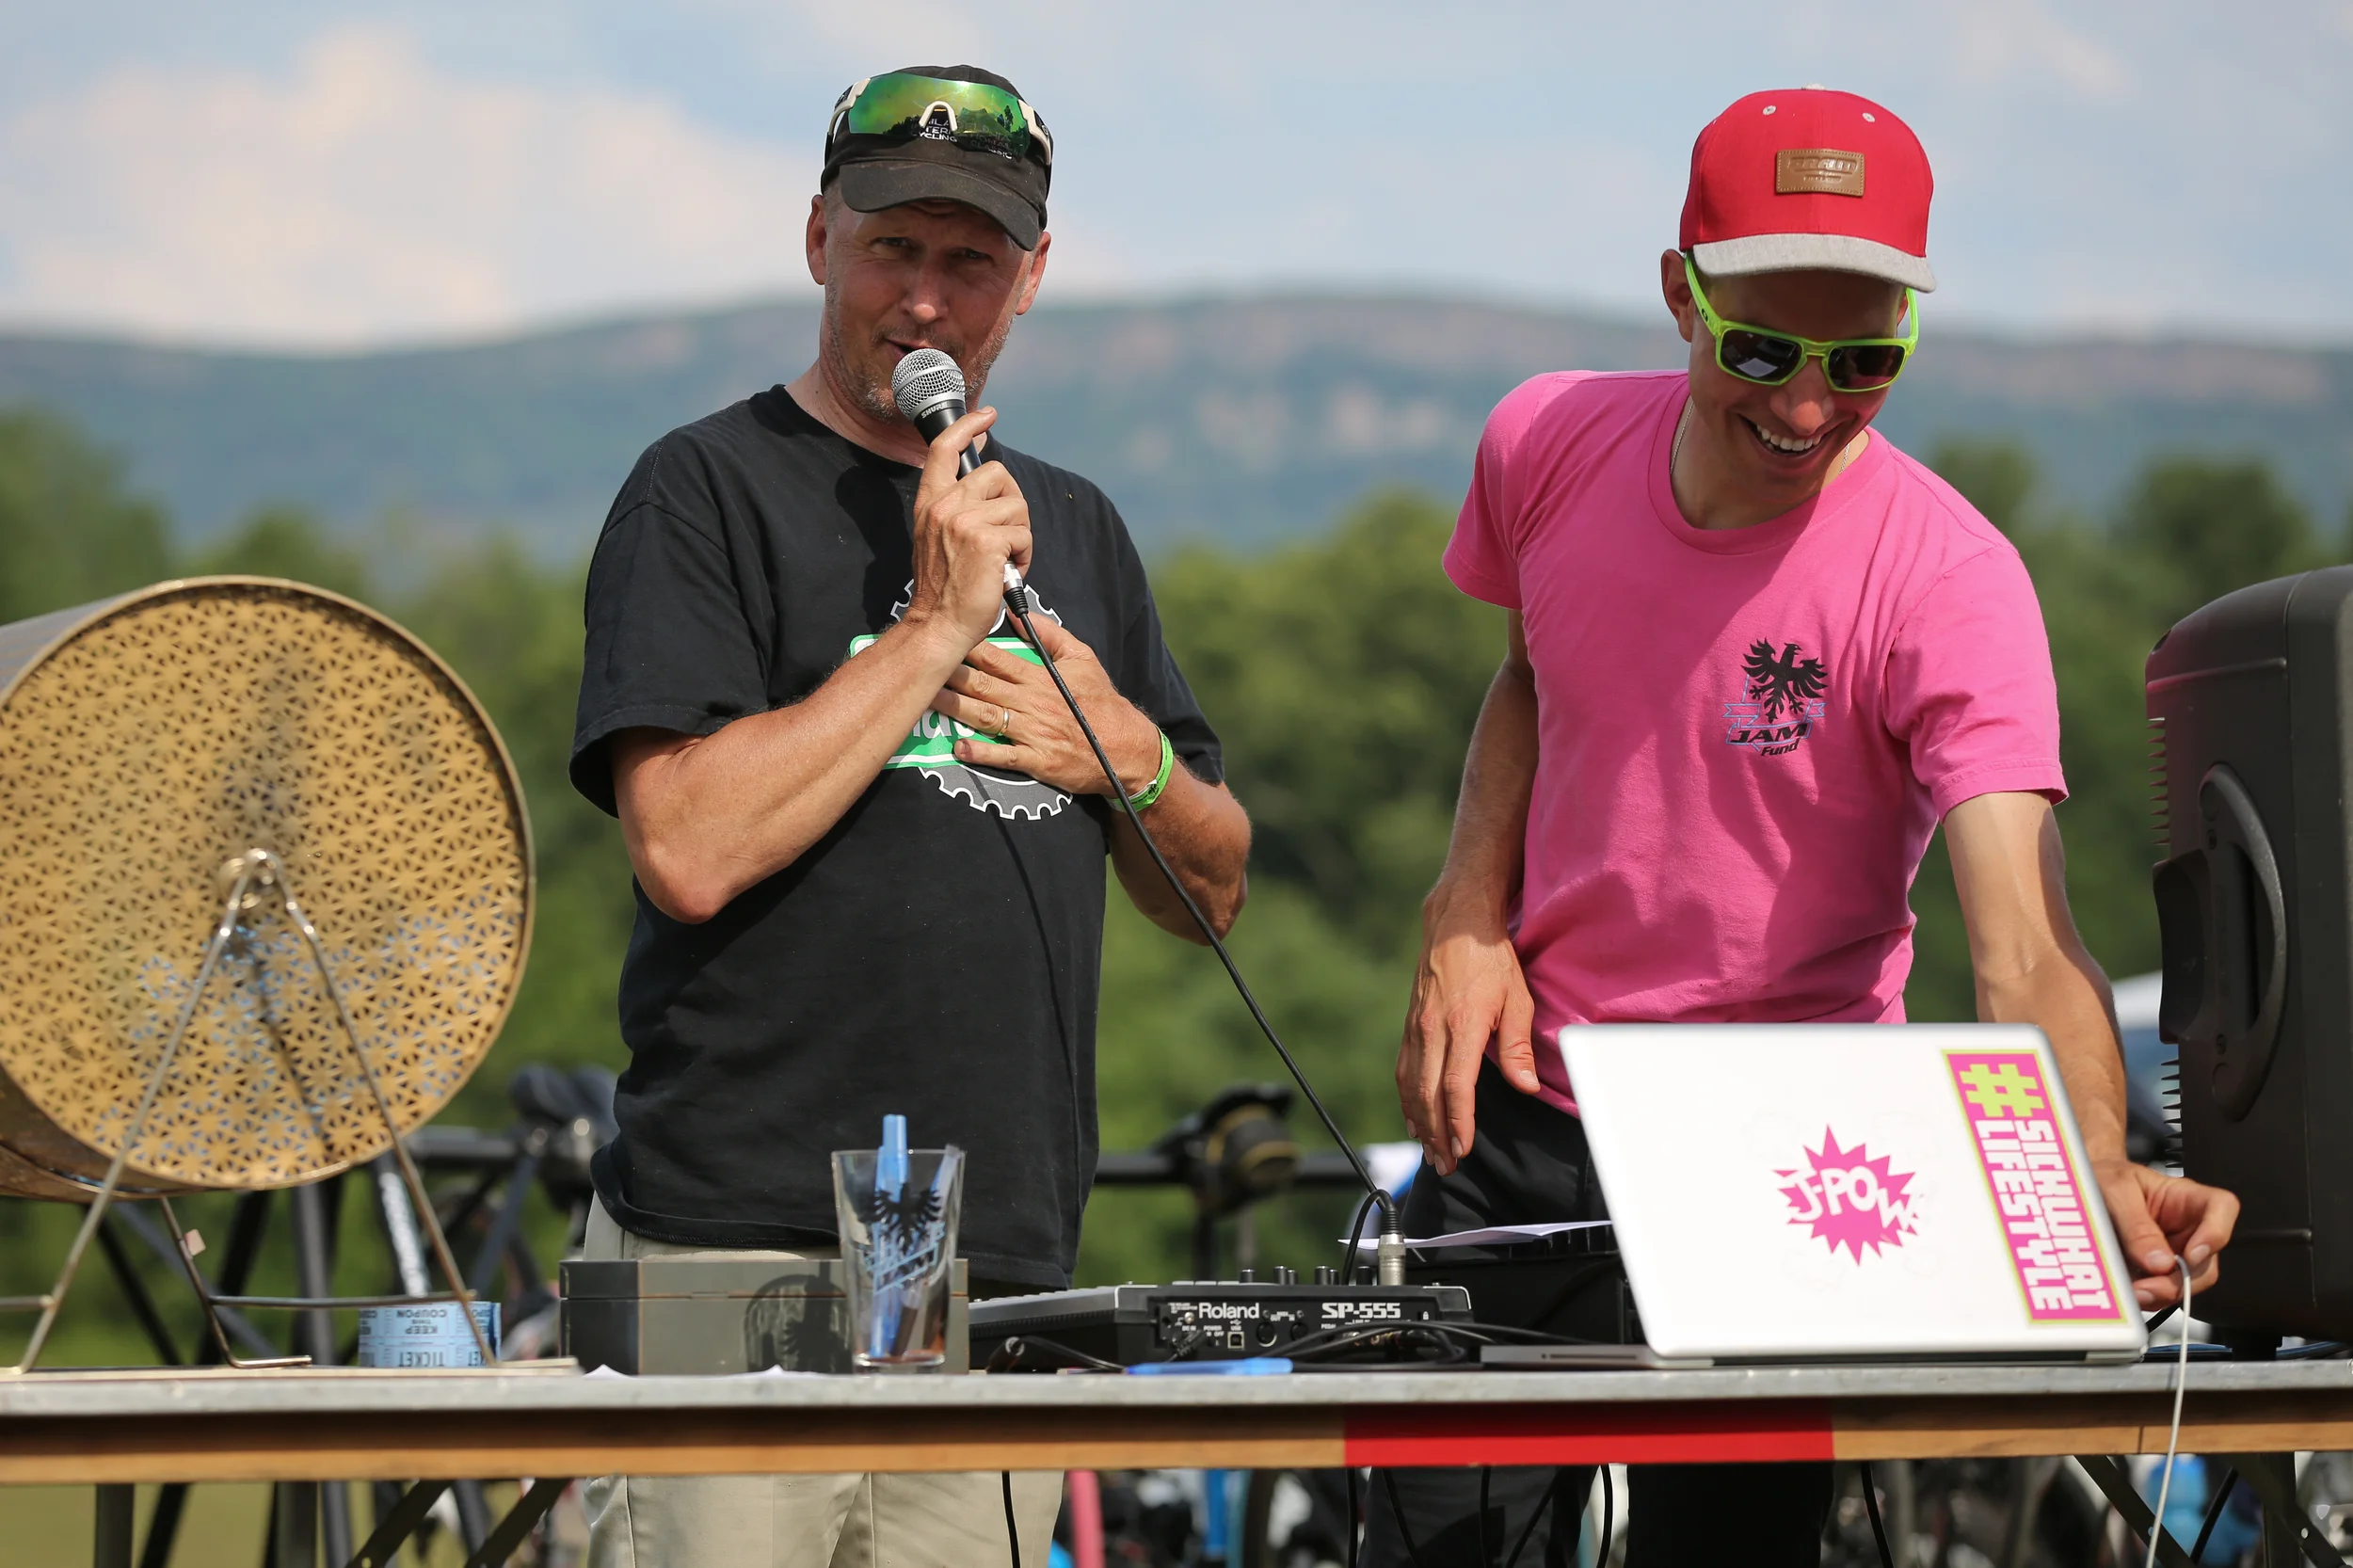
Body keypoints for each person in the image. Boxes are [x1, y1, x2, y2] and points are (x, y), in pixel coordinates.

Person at [1373, 88, 2241, 1566]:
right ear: (1681, 293)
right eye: (1762, 351)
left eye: (1865, 362)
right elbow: (1531, 670)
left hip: (1789, 1154)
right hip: (1526, 1108)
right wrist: (1466, 911)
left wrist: (2090, 1154)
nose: (1803, 408)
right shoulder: (1544, 440)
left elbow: (2026, 946)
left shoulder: (1951, 579)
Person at [567, 64, 1252, 1568]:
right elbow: (682, 848)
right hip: (729, 1250)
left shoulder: (1076, 527)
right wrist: (935, 629)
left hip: (988, 1269)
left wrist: (1131, 762)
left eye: (970, 261)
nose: (926, 301)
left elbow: (1211, 888)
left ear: (1032, 278)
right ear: (820, 239)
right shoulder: (702, 490)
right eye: (892, 248)